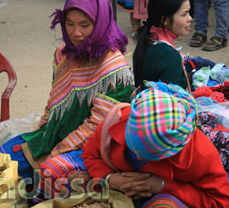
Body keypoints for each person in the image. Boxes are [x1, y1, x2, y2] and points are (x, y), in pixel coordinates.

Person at [0, 0, 134, 203]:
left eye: (85, 25)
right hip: (54, 135)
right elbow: (53, 102)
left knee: (49, 175)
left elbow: (97, 126)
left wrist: (57, 151)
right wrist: (42, 132)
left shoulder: (116, 71)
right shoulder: (62, 55)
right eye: (70, 24)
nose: (76, 33)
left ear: (101, 22)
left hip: (90, 148)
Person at [82, 81, 229, 208]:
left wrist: (164, 186)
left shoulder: (200, 155)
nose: (137, 157)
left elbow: (220, 201)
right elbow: (90, 153)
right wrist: (109, 179)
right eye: (132, 149)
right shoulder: (118, 120)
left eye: (150, 155)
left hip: (165, 196)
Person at [133, 0, 192, 91]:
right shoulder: (169, 56)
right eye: (184, 14)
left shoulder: (146, 40)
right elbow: (172, 99)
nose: (190, 19)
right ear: (165, 20)